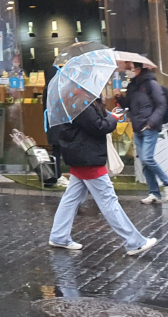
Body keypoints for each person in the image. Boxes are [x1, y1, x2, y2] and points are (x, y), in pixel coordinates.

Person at [48, 97, 157, 256]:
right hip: (88, 158)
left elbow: (94, 123)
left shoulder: (75, 102)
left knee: (71, 198)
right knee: (108, 199)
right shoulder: (82, 104)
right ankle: (134, 242)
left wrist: (109, 116)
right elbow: (99, 126)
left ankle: (59, 235)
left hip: (82, 157)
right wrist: (112, 118)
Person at [117, 61, 168, 203]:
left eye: (129, 68)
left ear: (138, 69)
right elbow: (128, 105)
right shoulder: (133, 86)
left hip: (149, 126)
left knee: (147, 158)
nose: (127, 71)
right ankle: (154, 193)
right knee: (144, 162)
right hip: (138, 127)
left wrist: (151, 123)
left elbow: (161, 104)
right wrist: (119, 97)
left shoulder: (151, 84)